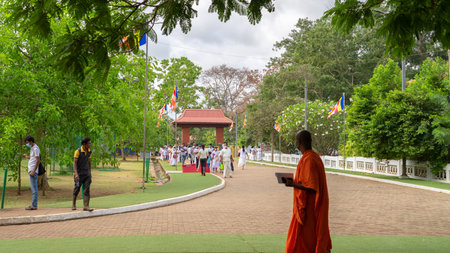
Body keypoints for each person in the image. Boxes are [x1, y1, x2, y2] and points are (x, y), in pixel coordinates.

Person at [284, 130, 332, 253]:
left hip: (309, 209)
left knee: (306, 241)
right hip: (307, 207)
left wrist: (292, 184)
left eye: (296, 141)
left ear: (300, 142)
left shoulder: (310, 159)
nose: (296, 145)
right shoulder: (312, 157)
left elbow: (311, 186)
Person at [72, 137, 94, 211]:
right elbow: (74, 163)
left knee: (86, 189)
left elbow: (89, 162)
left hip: (86, 174)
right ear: (84, 144)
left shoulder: (89, 151)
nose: (90, 144)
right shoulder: (77, 151)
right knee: (77, 189)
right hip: (79, 174)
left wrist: (90, 172)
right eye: (89, 143)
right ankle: (73, 204)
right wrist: (76, 174)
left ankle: (86, 206)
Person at [22, 136, 40, 210]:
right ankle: (34, 204)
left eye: (27, 142)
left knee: (34, 188)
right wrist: (27, 156)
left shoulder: (36, 148)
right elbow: (33, 158)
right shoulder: (32, 148)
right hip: (31, 170)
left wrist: (33, 171)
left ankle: (34, 205)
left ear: (31, 141)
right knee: (33, 188)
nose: (27, 144)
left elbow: (38, 160)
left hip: (33, 171)